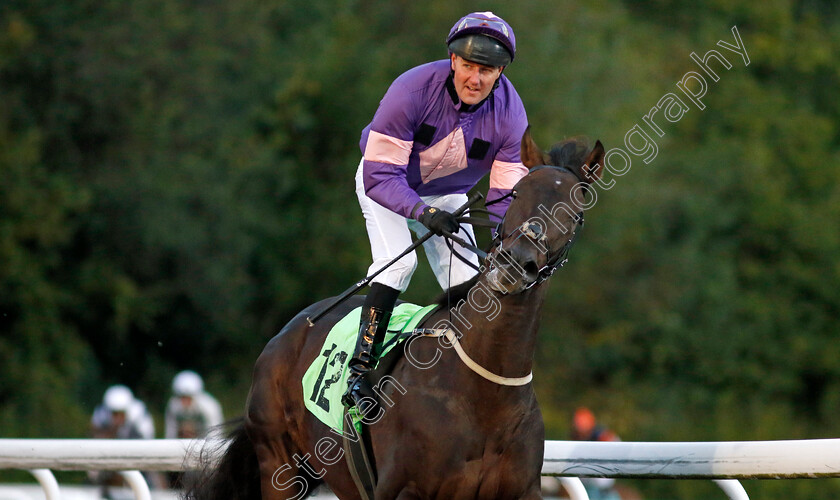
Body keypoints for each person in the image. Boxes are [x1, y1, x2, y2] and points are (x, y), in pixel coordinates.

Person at [343, 11, 530, 409]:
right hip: (388, 184)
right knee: (397, 266)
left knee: (471, 283)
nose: (475, 80)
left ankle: (461, 379)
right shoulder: (411, 90)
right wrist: (422, 214)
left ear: (501, 72)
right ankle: (359, 374)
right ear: (453, 60)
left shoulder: (512, 116)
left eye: (487, 70)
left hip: (447, 196)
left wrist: (504, 242)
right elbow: (379, 175)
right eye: (468, 66)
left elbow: (503, 197)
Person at [89, 385, 163, 496]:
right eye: (114, 413)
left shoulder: (140, 417)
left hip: (137, 459)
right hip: (111, 461)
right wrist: (111, 431)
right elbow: (93, 438)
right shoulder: (101, 415)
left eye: (120, 413)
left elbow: (147, 446)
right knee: (93, 473)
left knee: (153, 476)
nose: (117, 417)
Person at [571, 407, 622, 500]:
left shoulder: (601, 435)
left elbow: (615, 446)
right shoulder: (575, 437)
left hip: (600, 487)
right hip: (586, 484)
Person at [164, 370, 224, 440]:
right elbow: (170, 434)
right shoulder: (173, 405)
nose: (185, 402)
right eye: (182, 397)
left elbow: (215, 435)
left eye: (188, 398)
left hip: (205, 443)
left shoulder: (209, 407)